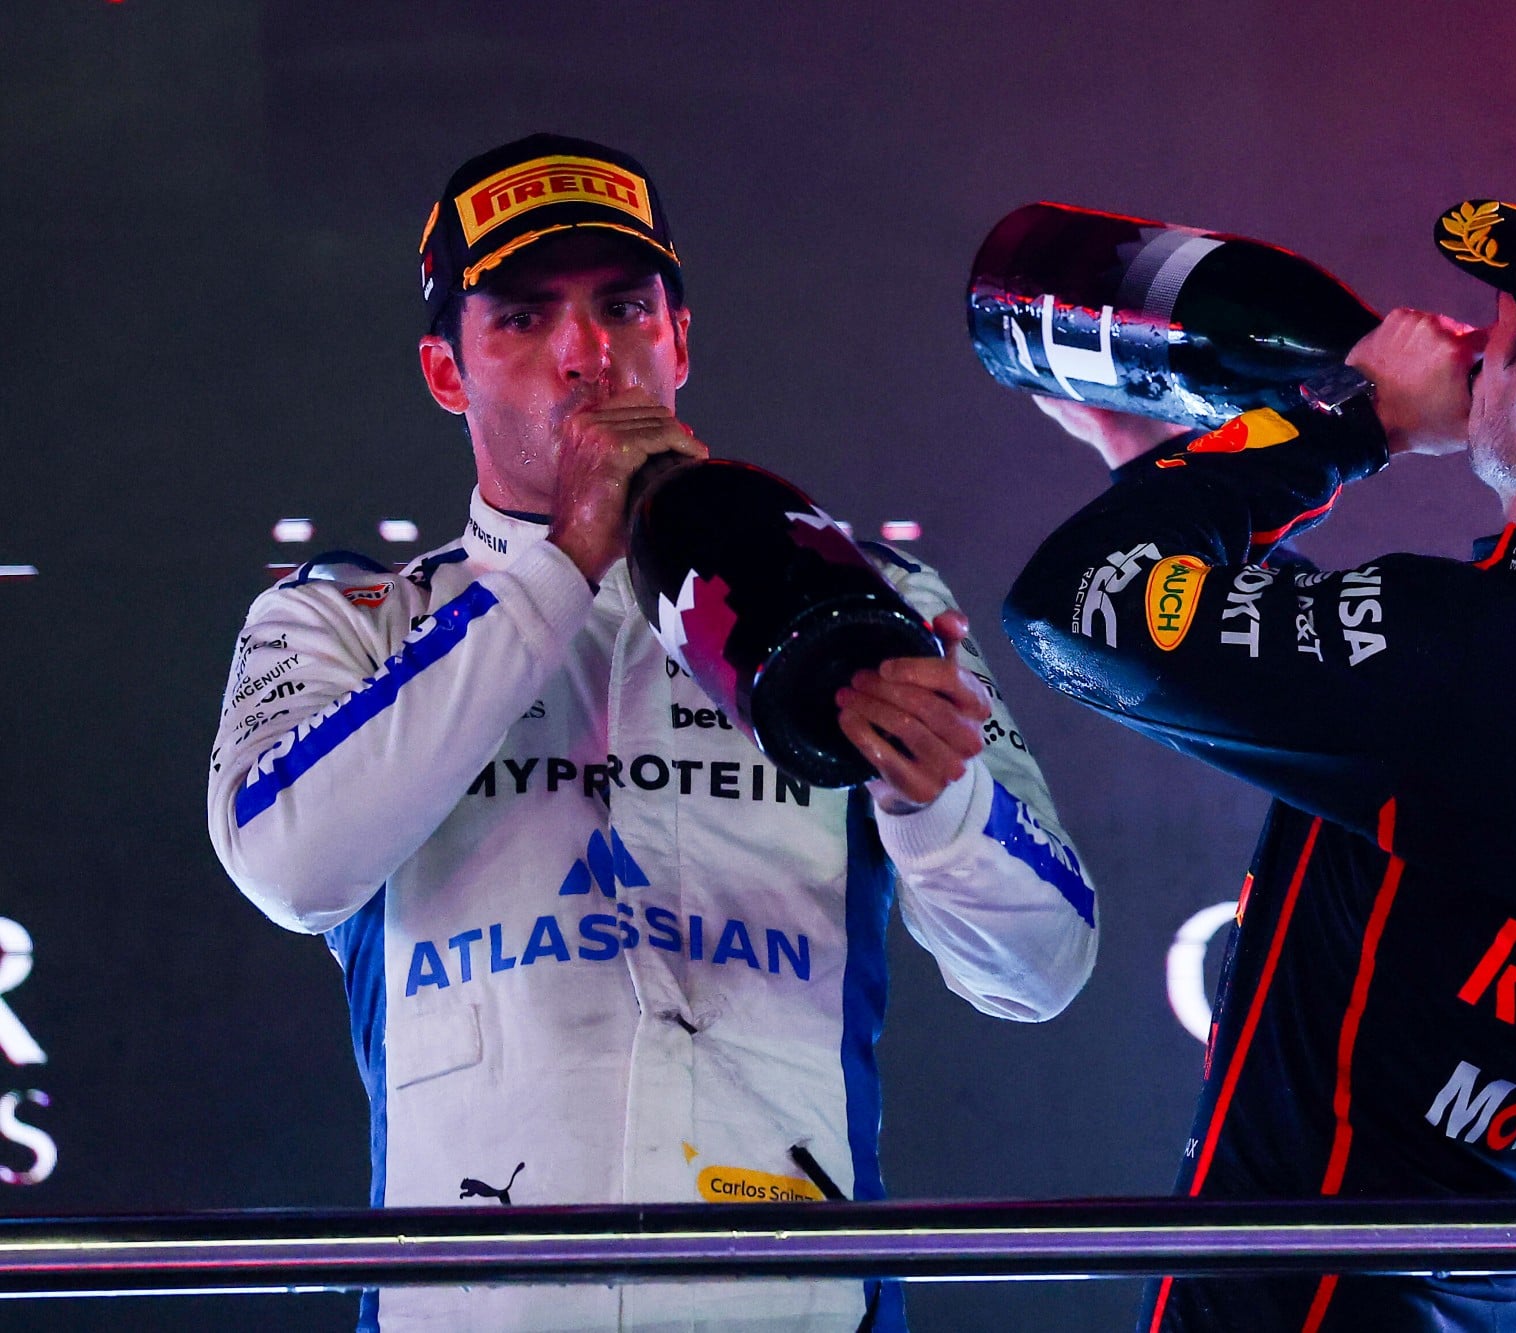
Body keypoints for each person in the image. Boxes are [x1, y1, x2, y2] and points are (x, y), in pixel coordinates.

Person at [206, 133, 1098, 1333]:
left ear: (678, 337)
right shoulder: (350, 616)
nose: (585, 353)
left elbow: (1043, 970)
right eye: (522, 317)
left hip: (791, 1312)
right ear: (445, 372)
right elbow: (288, 863)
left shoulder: (858, 602)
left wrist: (936, 805)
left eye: (623, 305)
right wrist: (568, 557)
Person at [1003, 178, 1516, 1332]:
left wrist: (1348, 420)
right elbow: (1217, 647)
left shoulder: (1499, 649)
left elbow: (1067, 609)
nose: (1467, 346)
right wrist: (1174, 479)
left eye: (1499, 331)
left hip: (1310, 1309)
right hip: (1459, 1298)